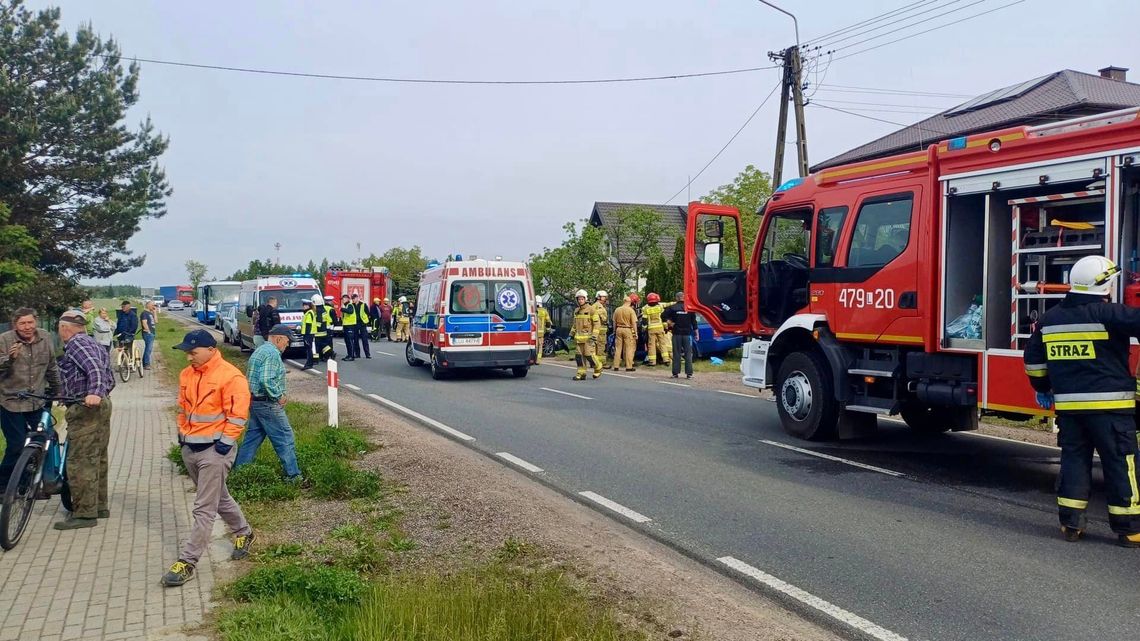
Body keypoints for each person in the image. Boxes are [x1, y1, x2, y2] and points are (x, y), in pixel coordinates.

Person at [1024, 255, 1140, 547]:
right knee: (1120, 463)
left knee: (1074, 460)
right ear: (1102, 285)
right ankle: (1129, 529)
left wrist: (1042, 387)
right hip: (1112, 410)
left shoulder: (1050, 319)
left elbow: (1033, 362)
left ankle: (1071, 524)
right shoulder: (1110, 314)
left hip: (1070, 410)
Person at [161, 329, 253, 587]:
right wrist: (182, 434)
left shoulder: (231, 376)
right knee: (218, 496)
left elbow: (237, 414)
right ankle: (244, 532)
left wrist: (225, 443)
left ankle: (187, 561)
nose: (188, 357)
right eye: (186, 353)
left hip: (215, 450)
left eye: (193, 352)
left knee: (204, 507)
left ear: (211, 350)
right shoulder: (186, 374)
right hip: (190, 447)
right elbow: (183, 407)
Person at [54, 310, 114, 530]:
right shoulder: (92, 342)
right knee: (97, 457)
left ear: (64, 328)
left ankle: (84, 514)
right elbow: (108, 375)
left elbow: (95, 370)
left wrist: (95, 393)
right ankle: (99, 506)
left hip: (87, 406)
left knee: (80, 460)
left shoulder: (77, 344)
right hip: (99, 405)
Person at [0, 308, 61, 486]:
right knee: (17, 445)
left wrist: (58, 390)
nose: (27, 327)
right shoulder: (4, 340)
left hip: (37, 400)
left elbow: (52, 366)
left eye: (30, 322)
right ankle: (4, 484)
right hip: (10, 401)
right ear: (15, 325)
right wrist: (9, 359)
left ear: (36, 322)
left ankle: (29, 483)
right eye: (22, 323)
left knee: (44, 440)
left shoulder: (45, 337)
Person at [235, 324, 302, 482]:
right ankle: (294, 476)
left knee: (253, 438)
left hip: (255, 401)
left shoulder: (261, 350)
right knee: (285, 437)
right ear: (279, 338)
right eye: (287, 341)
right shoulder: (272, 353)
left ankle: (240, 472)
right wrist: (278, 395)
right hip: (267, 403)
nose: (288, 344)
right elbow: (266, 379)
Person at [663, 291, 695, 380]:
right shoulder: (689, 308)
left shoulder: (672, 308)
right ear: (684, 298)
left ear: (677, 298)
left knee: (676, 354)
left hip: (676, 334)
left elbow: (663, 315)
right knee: (688, 354)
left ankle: (675, 373)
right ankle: (689, 374)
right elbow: (694, 321)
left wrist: (669, 322)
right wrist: (696, 331)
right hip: (687, 334)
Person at [571, 289, 602, 380]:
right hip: (579, 339)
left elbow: (597, 324)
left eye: (582, 299)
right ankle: (581, 373)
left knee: (589, 356)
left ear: (585, 299)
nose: (580, 301)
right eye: (579, 299)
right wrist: (571, 334)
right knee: (579, 357)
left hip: (589, 339)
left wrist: (594, 336)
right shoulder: (576, 311)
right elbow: (575, 324)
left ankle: (598, 367)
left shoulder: (592, 310)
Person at [301, 294, 334, 370]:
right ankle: (330, 352)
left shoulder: (314, 311)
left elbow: (315, 322)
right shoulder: (323, 309)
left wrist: (309, 332)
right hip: (324, 331)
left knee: (316, 347)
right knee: (322, 345)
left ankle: (315, 360)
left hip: (317, 332)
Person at [643, 292, 671, 366]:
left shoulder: (645, 308)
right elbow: (663, 318)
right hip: (660, 328)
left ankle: (652, 361)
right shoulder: (660, 307)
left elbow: (644, 320)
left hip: (651, 329)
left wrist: (645, 328)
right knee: (663, 344)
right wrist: (666, 328)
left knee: (651, 345)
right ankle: (666, 360)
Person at [611, 295, 638, 372]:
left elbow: (614, 322)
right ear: (629, 302)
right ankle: (629, 366)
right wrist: (635, 333)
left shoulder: (617, 310)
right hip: (628, 330)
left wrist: (614, 331)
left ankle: (616, 366)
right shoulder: (630, 310)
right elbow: (634, 323)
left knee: (618, 348)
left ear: (624, 301)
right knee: (629, 348)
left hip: (618, 329)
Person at [350, 294, 371, 359]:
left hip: (362, 324)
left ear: (357, 298)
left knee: (364, 339)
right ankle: (357, 354)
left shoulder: (363, 305)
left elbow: (368, 313)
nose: (353, 300)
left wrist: (366, 321)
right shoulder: (352, 305)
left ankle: (367, 354)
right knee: (355, 340)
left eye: (354, 298)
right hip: (355, 324)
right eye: (352, 298)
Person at [593, 291, 609, 366]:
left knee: (596, 346)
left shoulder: (596, 305)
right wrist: (605, 319)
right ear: (599, 297)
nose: (605, 298)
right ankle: (601, 363)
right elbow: (602, 318)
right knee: (601, 346)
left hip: (599, 330)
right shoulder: (598, 306)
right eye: (604, 297)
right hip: (600, 330)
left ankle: (595, 363)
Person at [340, 294, 358, 361]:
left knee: (350, 341)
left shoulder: (350, 305)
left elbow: (350, 311)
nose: (342, 300)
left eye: (343, 299)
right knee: (347, 341)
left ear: (348, 299)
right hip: (347, 326)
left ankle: (351, 356)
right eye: (342, 299)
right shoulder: (346, 306)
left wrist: (342, 309)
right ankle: (349, 354)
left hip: (350, 326)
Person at [140, 301, 157, 370]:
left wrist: (155, 312)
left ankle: (145, 363)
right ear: (148, 305)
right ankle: (146, 364)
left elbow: (156, 321)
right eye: (153, 305)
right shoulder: (144, 313)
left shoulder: (151, 313)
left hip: (152, 332)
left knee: (149, 349)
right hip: (148, 333)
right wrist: (148, 331)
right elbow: (144, 322)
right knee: (148, 349)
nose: (154, 306)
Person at [535, 299, 551, 365]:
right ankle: (538, 360)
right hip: (541, 333)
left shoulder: (533, 310)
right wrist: (548, 330)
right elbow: (548, 322)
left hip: (533, 332)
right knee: (540, 346)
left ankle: (534, 358)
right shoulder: (544, 311)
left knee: (535, 346)